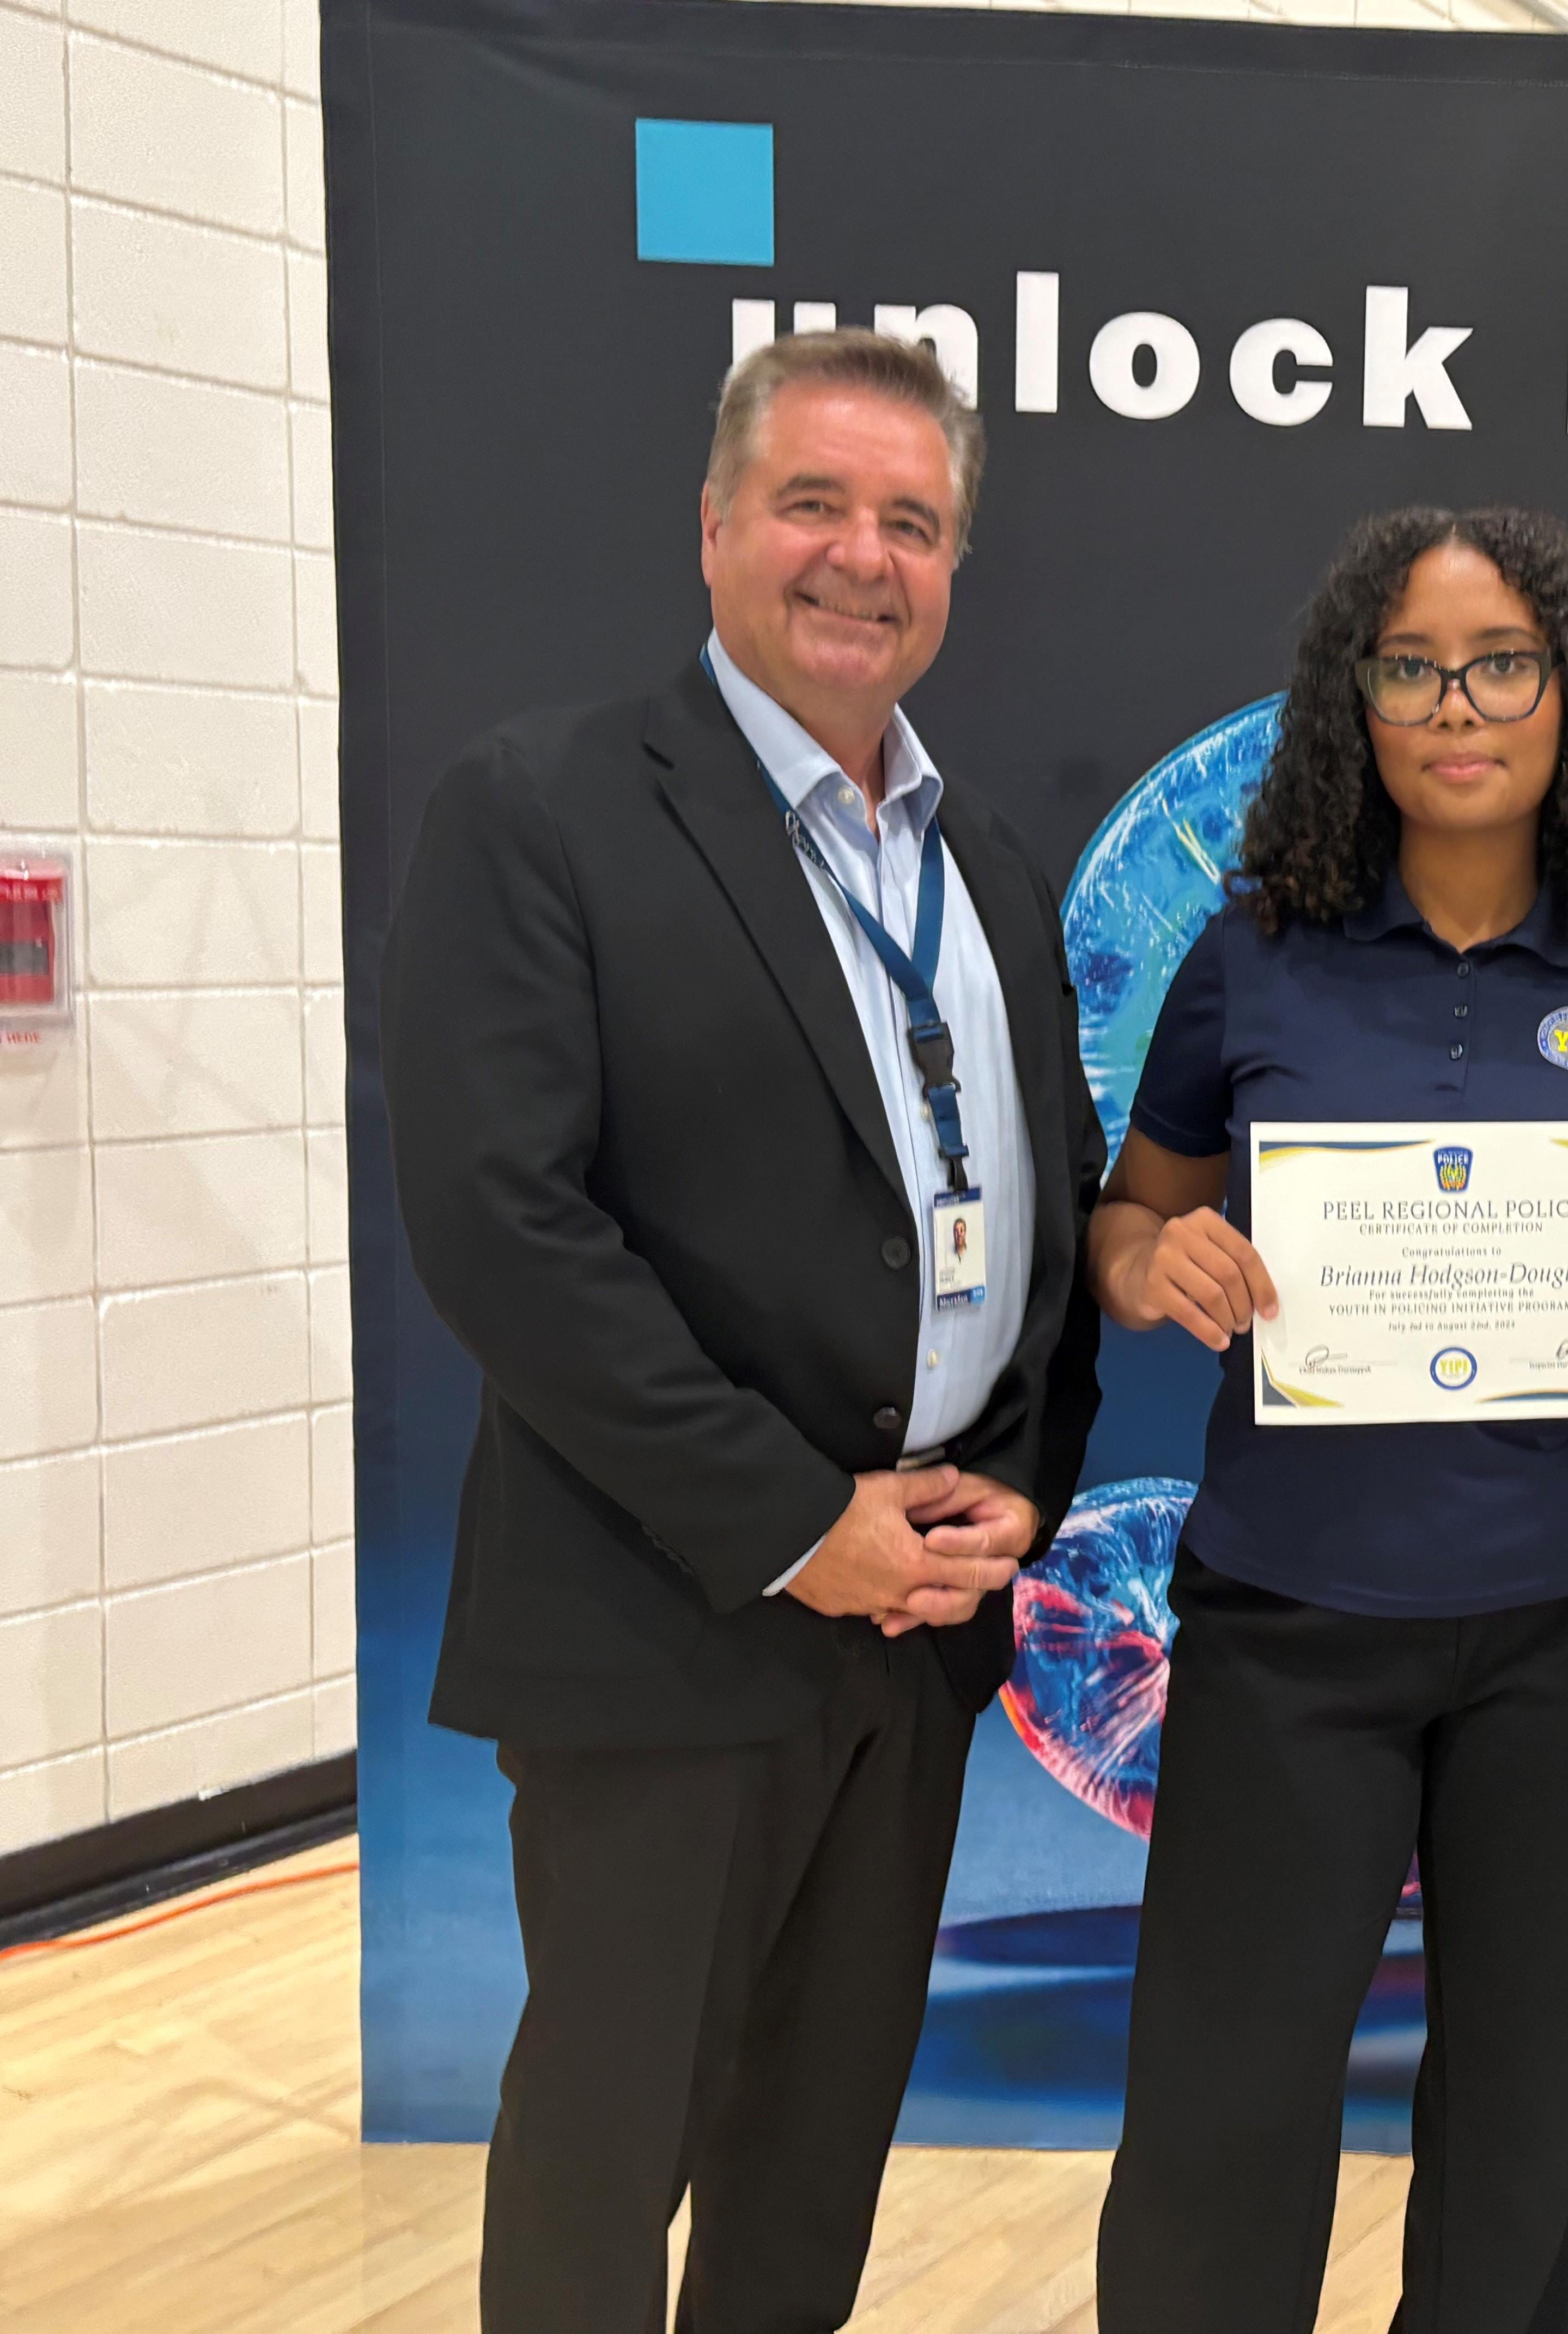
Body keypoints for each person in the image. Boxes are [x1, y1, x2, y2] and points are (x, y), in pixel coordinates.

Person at [382, 328, 1104, 2331]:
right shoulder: (539, 812)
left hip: (917, 1637)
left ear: (954, 565)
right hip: (666, 1626)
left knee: (815, 2163)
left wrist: (1015, 1491)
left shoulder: (992, 880)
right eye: (814, 504)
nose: (861, 558)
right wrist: (804, 1521)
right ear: (713, 528)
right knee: (610, 2163)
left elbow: (1034, 1231)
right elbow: (504, 1231)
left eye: (912, 521)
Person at [1089, 507, 1568, 2332]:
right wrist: (1156, 1264)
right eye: (1411, 666)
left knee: (1532, 2112)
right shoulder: (1254, 957)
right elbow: (1126, 1218)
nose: (1457, 702)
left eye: (1500, 663)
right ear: (1356, 705)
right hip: (1294, 1618)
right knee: (1225, 2103)